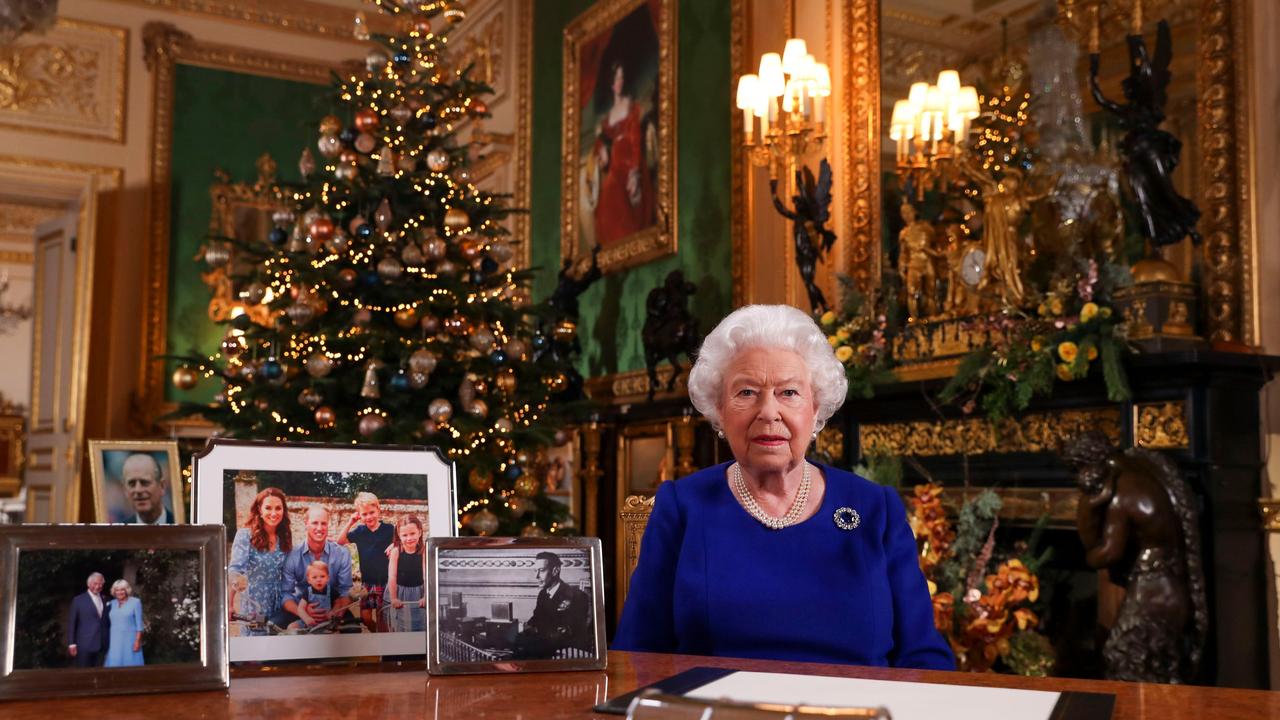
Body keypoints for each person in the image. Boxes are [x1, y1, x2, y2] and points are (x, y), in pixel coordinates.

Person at [613, 304, 954, 669]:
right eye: (746, 392)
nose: (769, 412)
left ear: (816, 407)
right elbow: (637, 653)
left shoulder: (875, 508)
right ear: (718, 409)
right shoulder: (683, 506)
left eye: (788, 392)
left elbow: (923, 654)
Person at [587, 60, 656, 247]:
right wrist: (600, 148)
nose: (620, 82)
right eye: (617, 78)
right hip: (617, 164)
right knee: (607, 200)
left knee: (618, 194)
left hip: (630, 161)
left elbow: (635, 138)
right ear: (611, 83)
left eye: (622, 77)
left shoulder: (630, 106)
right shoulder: (608, 117)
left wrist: (634, 172)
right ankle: (615, 246)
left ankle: (625, 242)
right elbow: (601, 139)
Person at [228, 487, 292, 635]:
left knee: (275, 652)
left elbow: (288, 574)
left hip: (278, 607)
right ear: (259, 510)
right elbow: (236, 570)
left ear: (284, 511)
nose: (274, 513)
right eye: (268, 508)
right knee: (255, 652)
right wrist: (230, 604)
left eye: (278, 508)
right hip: (254, 606)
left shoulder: (284, 539)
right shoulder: (245, 535)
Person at [278, 506, 353, 628]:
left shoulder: (342, 554)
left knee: (352, 631)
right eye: (314, 523)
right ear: (306, 524)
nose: (319, 528)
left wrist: (334, 614)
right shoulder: (292, 555)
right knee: (274, 626)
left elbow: (346, 591)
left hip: (332, 608)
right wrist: (303, 613)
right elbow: (286, 594)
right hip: (300, 608)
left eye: (324, 523)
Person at [515, 551, 591, 659]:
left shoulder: (576, 596)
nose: (536, 576)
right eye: (535, 571)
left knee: (528, 648)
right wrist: (526, 626)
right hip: (544, 642)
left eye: (541, 571)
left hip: (564, 648)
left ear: (555, 571)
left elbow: (569, 631)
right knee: (517, 639)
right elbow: (536, 617)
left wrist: (537, 631)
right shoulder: (543, 594)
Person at [337, 492, 395, 631]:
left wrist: (394, 545)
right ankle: (376, 632)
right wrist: (351, 522)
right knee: (365, 617)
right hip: (367, 582)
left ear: (378, 509)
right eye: (364, 514)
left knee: (382, 616)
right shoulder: (360, 531)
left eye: (371, 512)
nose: (368, 517)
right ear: (359, 515)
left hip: (384, 581)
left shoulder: (389, 529)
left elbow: (400, 542)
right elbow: (340, 541)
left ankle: (382, 638)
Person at [386, 515, 427, 632]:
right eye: (405, 535)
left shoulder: (424, 551)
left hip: (418, 593)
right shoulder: (396, 552)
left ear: (419, 532)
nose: (409, 538)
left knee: (420, 624)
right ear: (399, 535)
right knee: (400, 625)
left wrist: (425, 596)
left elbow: (426, 576)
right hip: (399, 592)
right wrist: (394, 598)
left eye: (412, 533)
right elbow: (392, 577)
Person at [67, 572, 111, 667]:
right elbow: (72, 623)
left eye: (100, 584)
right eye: (95, 583)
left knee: (99, 675)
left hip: (102, 645)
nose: (98, 586)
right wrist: (71, 643)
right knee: (84, 675)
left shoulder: (106, 599)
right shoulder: (78, 600)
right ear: (89, 584)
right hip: (84, 645)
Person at [120, 453, 173, 524]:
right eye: (132, 484)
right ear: (125, 490)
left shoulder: (182, 526)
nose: (138, 490)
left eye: (144, 482)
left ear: (162, 486)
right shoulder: (120, 532)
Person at [104, 579, 144, 667]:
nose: (119, 592)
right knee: (114, 666)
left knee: (131, 666)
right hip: (114, 640)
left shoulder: (135, 602)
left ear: (127, 590)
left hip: (130, 640)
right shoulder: (111, 603)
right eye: (117, 590)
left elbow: (139, 625)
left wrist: (137, 641)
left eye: (122, 589)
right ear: (114, 591)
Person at [287, 561, 334, 631]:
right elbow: (301, 608)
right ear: (309, 580)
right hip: (309, 621)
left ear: (328, 578)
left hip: (326, 622)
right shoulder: (308, 591)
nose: (319, 580)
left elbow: (338, 603)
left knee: (337, 631)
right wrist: (306, 618)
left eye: (322, 576)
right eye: (314, 577)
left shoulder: (331, 591)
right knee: (291, 626)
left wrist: (333, 612)